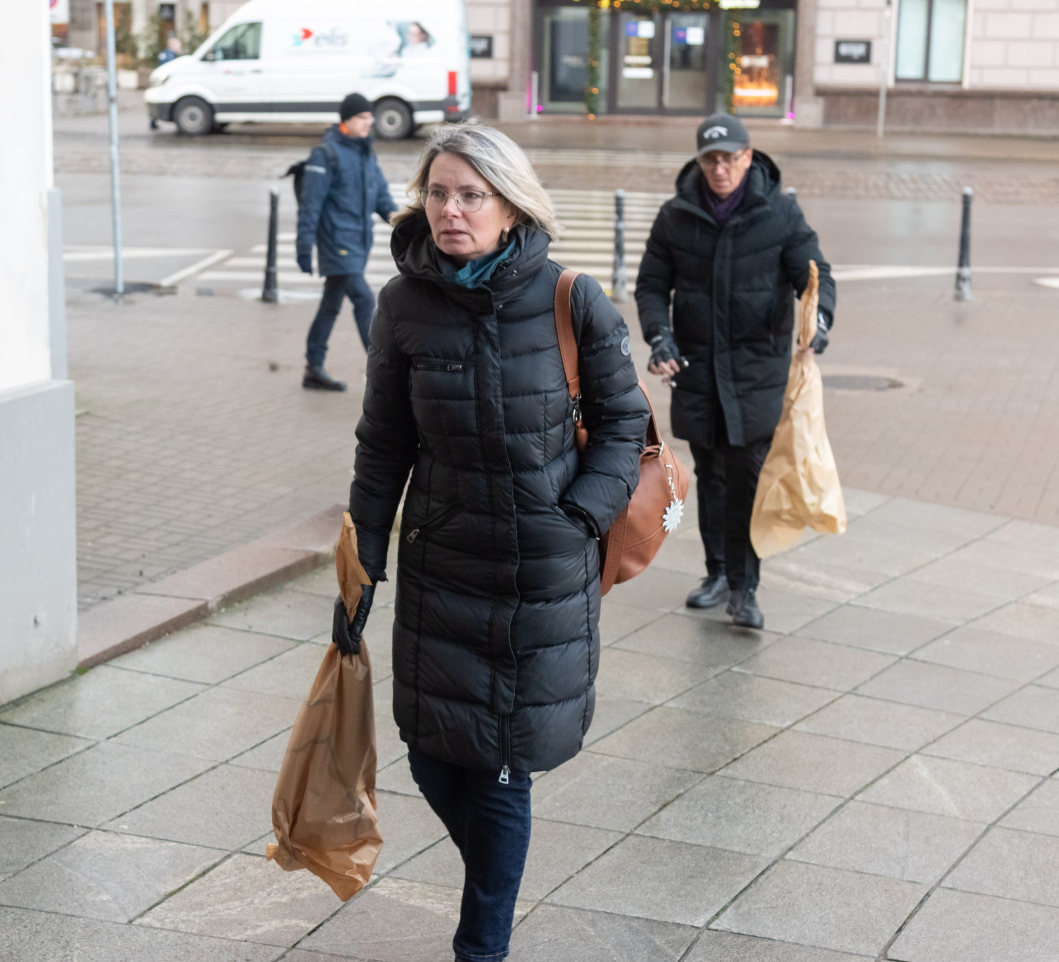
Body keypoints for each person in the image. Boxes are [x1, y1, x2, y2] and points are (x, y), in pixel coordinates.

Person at [332, 124, 650, 962]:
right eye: (438, 193)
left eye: (471, 195)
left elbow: (626, 422)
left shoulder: (572, 298)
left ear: (511, 206)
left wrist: (580, 516)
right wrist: (362, 559)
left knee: (503, 767)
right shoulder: (403, 305)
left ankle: (481, 946)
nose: (451, 210)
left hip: (537, 575)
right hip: (442, 563)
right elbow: (383, 441)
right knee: (433, 757)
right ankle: (496, 891)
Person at [634, 113, 835, 631]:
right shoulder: (676, 216)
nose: (719, 169)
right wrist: (659, 336)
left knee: (747, 472)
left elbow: (814, 275)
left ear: (748, 157)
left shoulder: (780, 213)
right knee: (712, 473)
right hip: (697, 368)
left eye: (729, 159)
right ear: (699, 162)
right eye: (711, 160)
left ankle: (745, 588)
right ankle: (717, 572)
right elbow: (651, 284)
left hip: (756, 369)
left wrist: (819, 321)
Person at [296, 93, 396, 391]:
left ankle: (313, 368)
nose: (368, 122)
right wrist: (304, 245)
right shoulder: (326, 154)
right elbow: (311, 204)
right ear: (347, 120)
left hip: (358, 242)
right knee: (364, 299)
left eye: (370, 117)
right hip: (336, 241)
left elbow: (381, 196)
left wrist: (403, 223)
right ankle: (383, 374)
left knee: (330, 304)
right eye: (362, 117)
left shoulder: (365, 152)